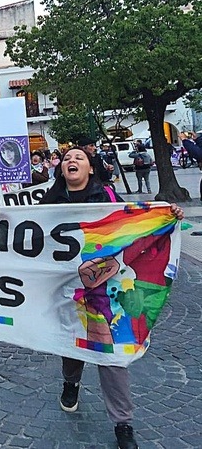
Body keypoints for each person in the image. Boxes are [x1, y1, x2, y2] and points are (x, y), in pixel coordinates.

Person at [40, 147, 184, 449]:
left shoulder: (106, 197)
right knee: (71, 344)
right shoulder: (49, 202)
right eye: (67, 159)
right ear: (61, 169)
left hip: (102, 290)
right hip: (64, 289)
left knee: (111, 353)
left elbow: (133, 226)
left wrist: (166, 216)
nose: (71, 161)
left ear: (91, 168)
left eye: (78, 158)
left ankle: (123, 422)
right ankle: (71, 382)